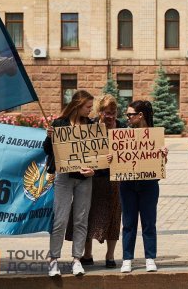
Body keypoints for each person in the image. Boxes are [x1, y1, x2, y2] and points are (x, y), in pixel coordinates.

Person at [66, 94, 124, 268]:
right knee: (87, 216)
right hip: (92, 178)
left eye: (113, 112)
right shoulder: (89, 127)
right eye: (107, 113)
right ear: (99, 112)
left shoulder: (121, 127)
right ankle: (87, 254)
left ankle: (110, 256)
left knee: (114, 216)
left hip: (114, 180)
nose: (111, 116)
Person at [43, 90, 96, 277]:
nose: (91, 110)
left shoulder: (91, 125)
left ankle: (76, 260)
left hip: (84, 179)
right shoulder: (59, 124)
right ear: (77, 105)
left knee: (81, 220)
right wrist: (49, 137)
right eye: (88, 107)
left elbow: (97, 154)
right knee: (60, 219)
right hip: (63, 178)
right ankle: (53, 260)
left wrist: (94, 170)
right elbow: (47, 150)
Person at [119, 100, 168, 273]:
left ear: (140, 116)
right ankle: (127, 259)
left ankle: (150, 257)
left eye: (130, 114)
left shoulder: (154, 135)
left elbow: (160, 164)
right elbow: (117, 159)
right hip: (127, 184)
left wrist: (163, 155)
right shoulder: (123, 134)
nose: (127, 117)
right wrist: (113, 159)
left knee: (149, 222)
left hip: (149, 184)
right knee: (128, 222)